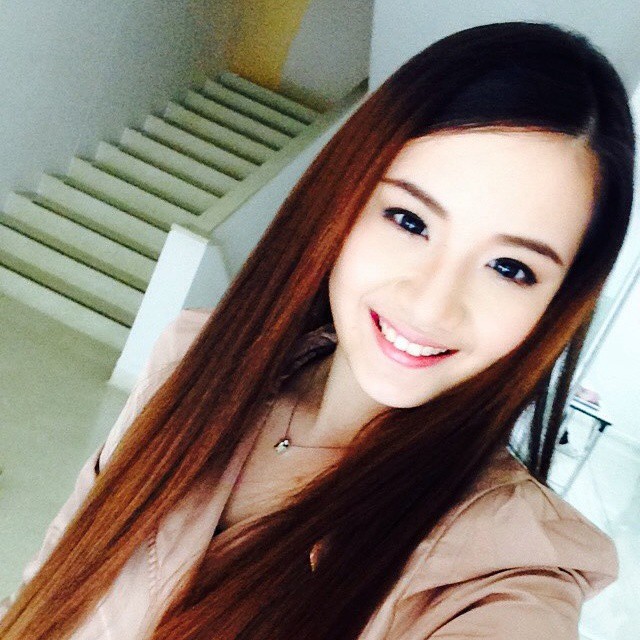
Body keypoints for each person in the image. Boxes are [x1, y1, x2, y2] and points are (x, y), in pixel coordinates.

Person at [0, 20, 634, 640]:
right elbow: (53, 579)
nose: (432, 305)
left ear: (558, 302)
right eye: (410, 221)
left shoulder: (502, 568)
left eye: (510, 267)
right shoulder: (193, 363)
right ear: (344, 200)